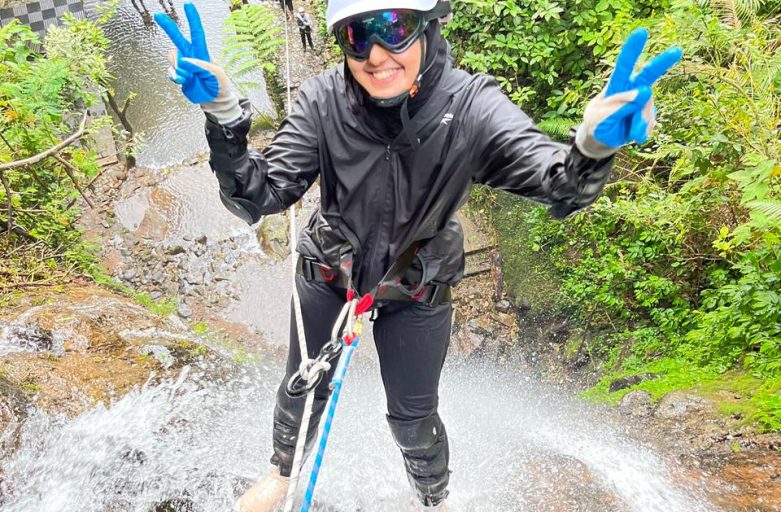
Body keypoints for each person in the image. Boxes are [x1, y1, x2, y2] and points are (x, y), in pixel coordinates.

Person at [154, 2, 681, 510]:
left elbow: (561, 186)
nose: (376, 55)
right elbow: (258, 196)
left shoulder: (472, 107)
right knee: (303, 386)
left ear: (429, 27)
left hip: (416, 281)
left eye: (394, 28)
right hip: (330, 269)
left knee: (413, 416)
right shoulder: (323, 101)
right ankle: (282, 472)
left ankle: (433, 498)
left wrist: (591, 148)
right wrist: (225, 118)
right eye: (357, 36)